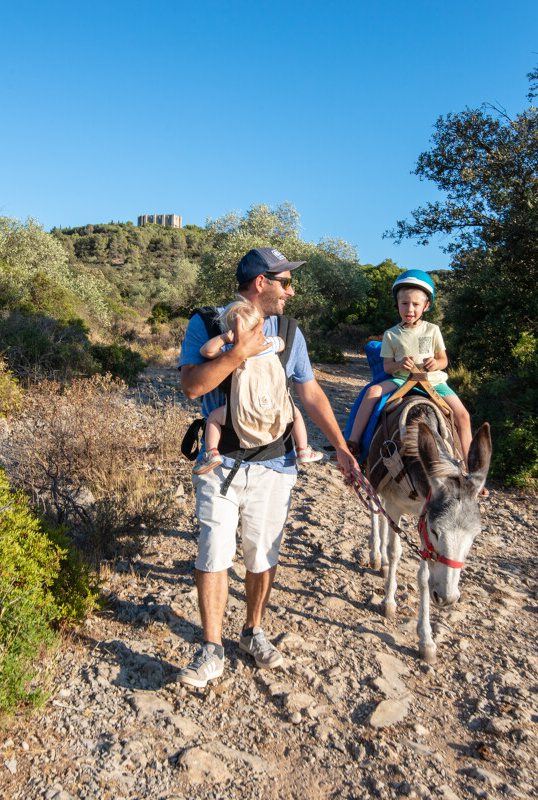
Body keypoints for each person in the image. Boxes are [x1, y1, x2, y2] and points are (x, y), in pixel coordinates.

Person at [177, 247, 361, 687]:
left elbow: (311, 393)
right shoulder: (208, 323)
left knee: (262, 555)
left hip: (275, 464)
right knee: (214, 554)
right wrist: (238, 351)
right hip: (219, 464)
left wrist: (341, 447)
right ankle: (211, 648)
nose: (290, 291)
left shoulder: (291, 333)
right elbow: (191, 386)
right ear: (261, 283)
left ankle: (252, 630)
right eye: (284, 282)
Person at [346, 270, 472, 459]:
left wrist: (435, 363)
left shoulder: (433, 330)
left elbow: (443, 360)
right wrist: (399, 364)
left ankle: (470, 466)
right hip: (402, 381)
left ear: (426, 305)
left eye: (415, 304)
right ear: (397, 304)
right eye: (404, 303)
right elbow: (388, 367)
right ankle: (353, 442)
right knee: (372, 392)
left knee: (463, 416)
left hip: (433, 382)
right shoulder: (391, 334)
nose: (409, 309)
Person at [194, 296, 324, 475]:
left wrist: (226, 338)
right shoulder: (269, 345)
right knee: (295, 414)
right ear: (258, 327)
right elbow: (283, 344)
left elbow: (206, 351)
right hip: (274, 406)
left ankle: (211, 452)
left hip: (241, 410)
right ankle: (302, 449)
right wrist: (264, 336)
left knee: (213, 419)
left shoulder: (231, 350)